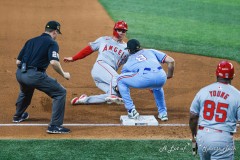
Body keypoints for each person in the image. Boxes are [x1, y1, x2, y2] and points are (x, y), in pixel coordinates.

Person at [13, 21, 71, 134]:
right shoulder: (52, 43)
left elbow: (18, 61)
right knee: (60, 92)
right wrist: (64, 74)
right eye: (57, 33)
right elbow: (54, 62)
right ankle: (54, 126)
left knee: (26, 92)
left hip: (20, 73)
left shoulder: (31, 41)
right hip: (34, 75)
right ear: (55, 32)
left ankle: (17, 116)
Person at [64, 20, 129, 105]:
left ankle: (83, 100)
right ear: (114, 30)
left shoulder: (127, 49)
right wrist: (74, 58)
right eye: (119, 30)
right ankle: (115, 92)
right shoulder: (104, 40)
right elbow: (89, 49)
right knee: (117, 80)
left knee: (114, 94)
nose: (121, 32)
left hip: (106, 76)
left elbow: (133, 65)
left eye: (123, 31)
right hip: (100, 66)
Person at [189, 60, 240, 159]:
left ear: (217, 74)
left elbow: (193, 117)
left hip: (202, 137)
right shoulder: (237, 95)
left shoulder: (203, 91)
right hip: (222, 140)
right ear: (232, 76)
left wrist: (194, 136)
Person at [116, 39, 175, 120]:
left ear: (129, 50)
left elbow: (125, 77)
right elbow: (171, 61)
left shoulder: (129, 61)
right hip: (161, 77)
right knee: (157, 87)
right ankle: (163, 113)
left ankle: (131, 110)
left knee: (120, 79)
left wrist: (117, 88)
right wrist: (169, 75)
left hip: (144, 79)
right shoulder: (151, 51)